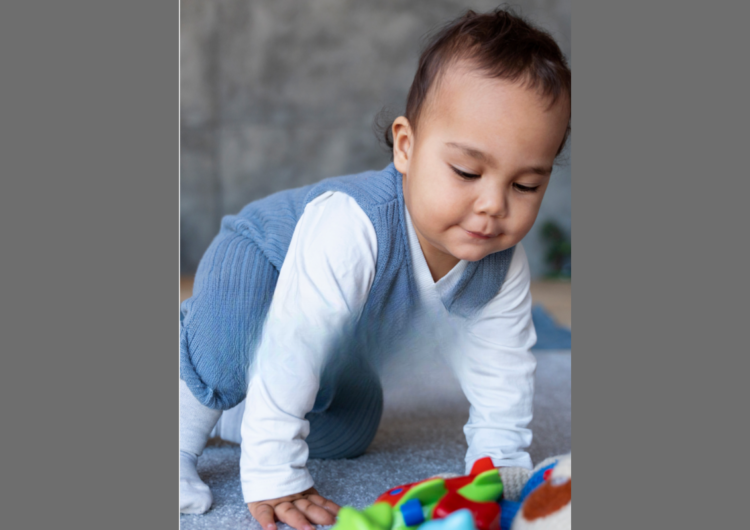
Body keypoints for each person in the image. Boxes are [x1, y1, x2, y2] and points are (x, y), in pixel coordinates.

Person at [179, 7, 571, 530]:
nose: (494, 204)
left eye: (526, 185)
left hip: (343, 332)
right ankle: (185, 407)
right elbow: (294, 344)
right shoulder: (352, 225)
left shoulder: (500, 263)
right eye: (466, 171)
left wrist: (500, 469)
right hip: (261, 261)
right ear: (406, 147)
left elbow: (503, 369)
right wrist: (275, 470)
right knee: (230, 347)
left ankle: (234, 411)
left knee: (349, 432)